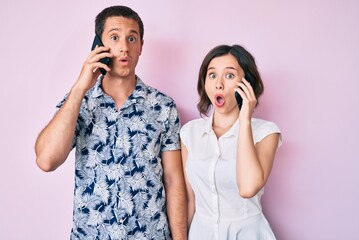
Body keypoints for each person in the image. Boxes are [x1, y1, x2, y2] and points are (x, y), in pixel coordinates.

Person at [35, 5, 187, 239]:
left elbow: (174, 180)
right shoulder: (79, 102)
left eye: (132, 38)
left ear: (141, 47)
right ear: (99, 45)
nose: (124, 47)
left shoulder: (163, 107)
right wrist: (79, 88)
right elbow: (46, 160)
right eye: (114, 37)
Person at [180, 44, 282, 239]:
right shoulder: (189, 133)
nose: (219, 84)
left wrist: (245, 120)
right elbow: (190, 199)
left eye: (229, 75)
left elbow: (248, 188)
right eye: (212, 75)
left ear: (247, 84)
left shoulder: (266, 132)